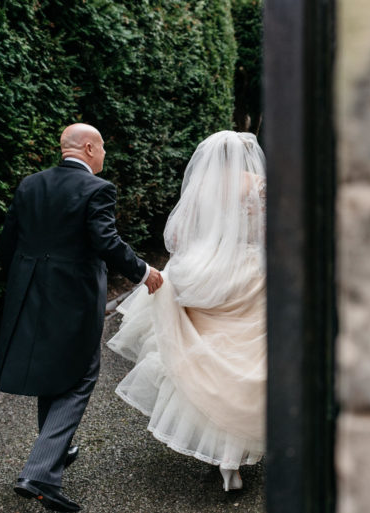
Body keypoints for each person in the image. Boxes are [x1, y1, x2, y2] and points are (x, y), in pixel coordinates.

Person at [0, 123, 164, 512]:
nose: (104, 155)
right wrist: (142, 271)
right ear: (89, 148)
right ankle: (38, 473)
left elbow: (9, 242)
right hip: (73, 296)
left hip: (29, 289)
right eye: (102, 148)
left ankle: (54, 451)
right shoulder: (97, 189)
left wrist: (24, 278)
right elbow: (105, 241)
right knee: (81, 376)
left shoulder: (30, 184)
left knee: (49, 371)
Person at [107, 130, 267, 491]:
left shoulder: (204, 186)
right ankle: (232, 461)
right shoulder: (258, 185)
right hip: (249, 277)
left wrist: (205, 251)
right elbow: (266, 234)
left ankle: (226, 462)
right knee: (246, 360)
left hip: (203, 274)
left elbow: (177, 237)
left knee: (206, 359)